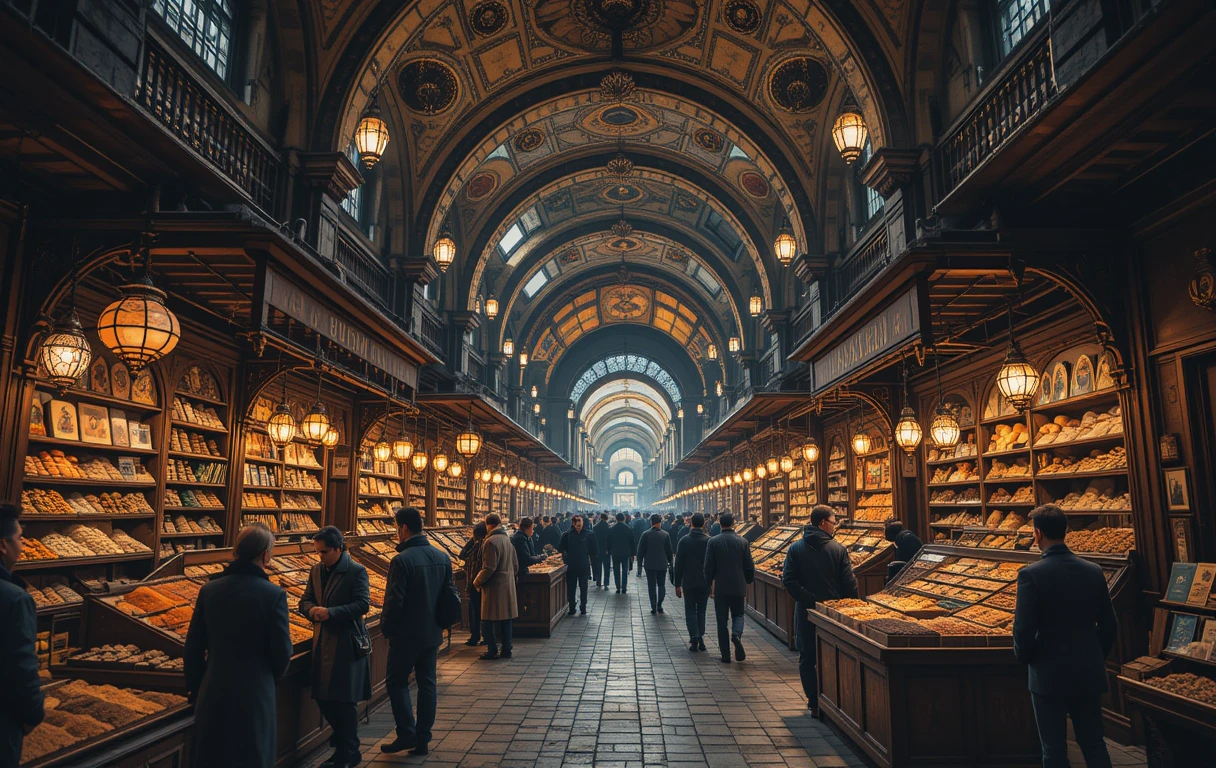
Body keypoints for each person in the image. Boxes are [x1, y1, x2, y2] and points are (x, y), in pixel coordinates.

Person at [1014, 505, 1118, 768]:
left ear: (1037, 534)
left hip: (1048, 673)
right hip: (1087, 670)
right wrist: (1093, 654)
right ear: (1067, 530)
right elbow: (1109, 625)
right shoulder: (1093, 570)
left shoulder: (1030, 574)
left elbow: (1023, 629)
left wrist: (1028, 658)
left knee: (1054, 748)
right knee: (1095, 744)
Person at [185, 523, 293, 768]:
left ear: (236, 552)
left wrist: (195, 685)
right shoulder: (273, 595)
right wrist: (271, 678)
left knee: (213, 756)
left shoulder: (209, 590)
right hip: (255, 692)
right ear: (265, 555)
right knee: (252, 755)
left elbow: (193, 646)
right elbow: (282, 651)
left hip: (214, 689)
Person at [380, 507, 456, 756]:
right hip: (432, 631)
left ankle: (406, 733)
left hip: (405, 635)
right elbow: (448, 594)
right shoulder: (442, 556)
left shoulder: (402, 560)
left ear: (403, 528)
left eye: (396, 528)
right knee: (427, 684)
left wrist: (387, 629)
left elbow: (394, 601)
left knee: (396, 682)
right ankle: (423, 738)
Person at [299, 527, 372, 768]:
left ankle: (346, 752)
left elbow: (362, 604)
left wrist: (331, 613)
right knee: (322, 695)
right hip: (322, 642)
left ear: (339, 548)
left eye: (325, 552)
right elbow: (306, 599)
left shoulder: (356, 571)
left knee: (344, 700)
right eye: (318, 552)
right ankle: (347, 746)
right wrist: (310, 610)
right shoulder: (316, 570)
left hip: (346, 644)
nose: (320, 556)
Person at [782, 506, 858, 712]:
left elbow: (788, 580)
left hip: (805, 610)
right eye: (834, 522)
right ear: (823, 523)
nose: (835, 526)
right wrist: (849, 607)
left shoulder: (795, 548)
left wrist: (807, 599)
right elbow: (849, 584)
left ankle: (814, 700)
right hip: (832, 612)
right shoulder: (838, 549)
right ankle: (833, 699)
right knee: (832, 653)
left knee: (807, 655)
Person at [1, 503, 43, 767]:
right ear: (3, 545)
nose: (23, 543)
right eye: (19, 537)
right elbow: (22, 665)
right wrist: (33, 714)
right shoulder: (15, 599)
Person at [704, 512, 755, 663]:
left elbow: (708, 567)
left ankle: (725, 655)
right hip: (738, 585)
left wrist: (709, 584)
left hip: (720, 586)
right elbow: (749, 565)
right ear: (733, 523)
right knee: (738, 615)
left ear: (720, 524)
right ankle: (736, 635)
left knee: (721, 621)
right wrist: (748, 580)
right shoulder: (743, 542)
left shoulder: (713, 542)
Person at [474, 513, 519, 660]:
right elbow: (516, 565)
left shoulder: (490, 542)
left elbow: (489, 567)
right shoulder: (507, 540)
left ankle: (492, 649)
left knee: (487, 620)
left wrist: (477, 581)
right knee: (506, 619)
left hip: (494, 587)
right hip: (507, 585)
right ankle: (507, 648)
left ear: (487, 524)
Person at [673, 512, 711, 652]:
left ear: (691, 523)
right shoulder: (709, 541)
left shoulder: (684, 541)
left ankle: (694, 637)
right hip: (704, 582)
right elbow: (712, 564)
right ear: (703, 524)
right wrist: (713, 582)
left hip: (688, 582)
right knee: (701, 611)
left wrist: (677, 584)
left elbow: (679, 564)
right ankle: (700, 636)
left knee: (690, 610)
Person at [558, 515, 598, 616]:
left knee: (583, 587)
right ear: (572, 523)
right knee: (571, 587)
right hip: (571, 565)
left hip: (584, 565)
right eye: (576, 521)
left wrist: (595, 570)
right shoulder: (566, 535)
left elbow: (593, 552)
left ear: (583, 522)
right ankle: (572, 606)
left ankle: (583, 606)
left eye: (579, 521)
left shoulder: (589, 535)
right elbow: (560, 549)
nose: (578, 523)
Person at [637, 514, 674, 614]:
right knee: (661, 585)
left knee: (651, 586)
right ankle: (660, 605)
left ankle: (653, 605)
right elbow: (669, 551)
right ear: (660, 523)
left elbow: (640, 551)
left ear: (651, 522)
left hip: (649, 564)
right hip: (662, 564)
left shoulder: (645, 534)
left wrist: (639, 564)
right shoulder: (665, 535)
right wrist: (671, 562)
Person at [458, 523, 488, 646]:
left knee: (475, 611)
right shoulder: (482, 544)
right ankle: (479, 635)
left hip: (476, 582)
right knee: (478, 611)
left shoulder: (481, 545)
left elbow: (463, 554)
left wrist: (474, 583)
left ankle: (475, 636)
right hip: (480, 583)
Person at [608, 512, 636, 593]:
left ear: (616, 519)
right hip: (625, 552)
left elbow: (609, 541)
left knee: (616, 570)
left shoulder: (612, 529)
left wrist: (609, 550)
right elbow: (632, 542)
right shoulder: (628, 528)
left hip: (615, 552)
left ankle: (617, 587)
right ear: (624, 519)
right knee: (624, 570)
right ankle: (624, 587)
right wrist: (633, 553)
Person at [593, 512, 612, 589]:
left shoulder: (595, 527)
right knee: (606, 567)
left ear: (600, 518)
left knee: (598, 566)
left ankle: (598, 582)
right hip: (606, 550)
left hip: (597, 549)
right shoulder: (608, 527)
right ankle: (606, 583)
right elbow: (609, 539)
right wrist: (608, 549)